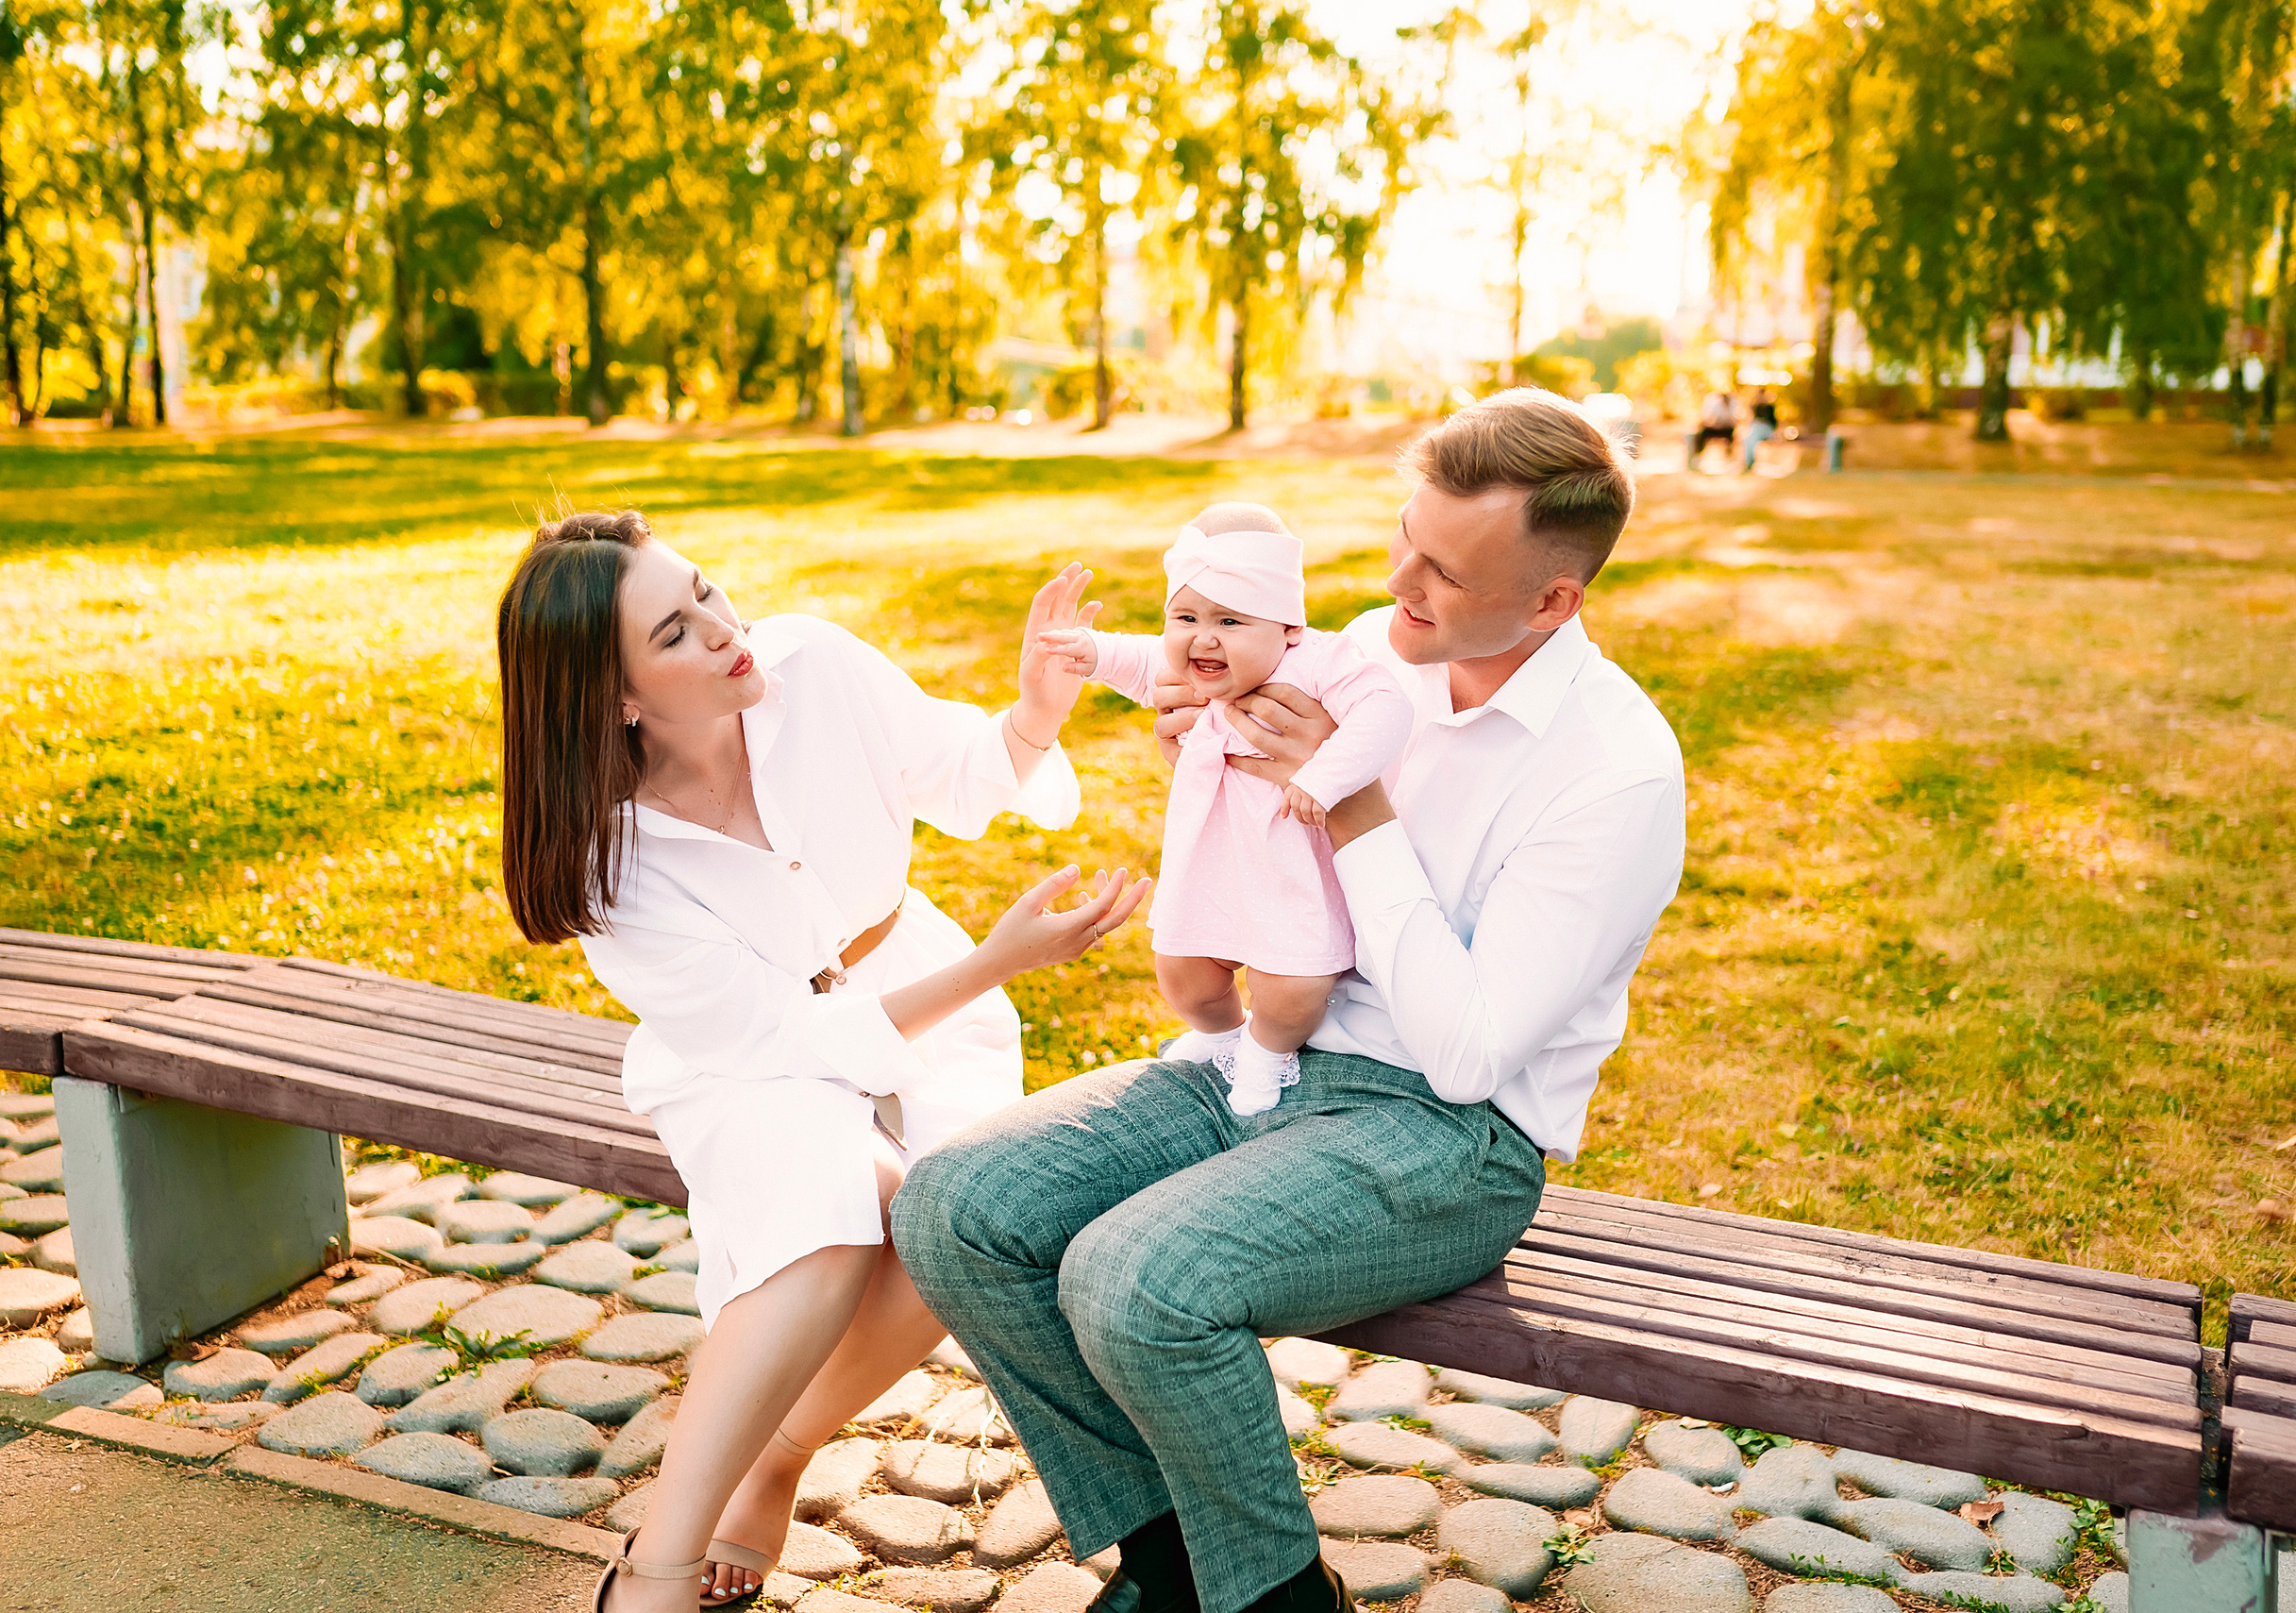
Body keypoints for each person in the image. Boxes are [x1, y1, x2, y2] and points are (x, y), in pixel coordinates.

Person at [892, 388, 1685, 1613]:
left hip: (1449, 1134)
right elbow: (1240, 788)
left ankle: (1272, 1602)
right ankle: (1167, 1568)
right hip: (1271, 1055)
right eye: (1404, 544)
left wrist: (1350, 808)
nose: (1403, 591)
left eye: (1446, 574)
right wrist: (1204, 761)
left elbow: (1469, 1053)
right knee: (959, 1204)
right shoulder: (1371, 656)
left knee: (1133, 1279)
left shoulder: (1613, 771)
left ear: (1551, 601)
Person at [494, 510, 1149, 1613]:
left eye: (705, 590)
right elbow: (774, 1044)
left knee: (959, 1214)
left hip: (927, 1009)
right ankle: (655, 1567)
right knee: (844, 1198)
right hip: (748, 1066)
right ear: (619, 698)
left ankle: (776, 1452)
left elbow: (965, 772)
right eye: (674, 632)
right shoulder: (606, 858)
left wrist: (1037, 706)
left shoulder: (817, 663)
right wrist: (996, 962)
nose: (722, 627)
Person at [1037, 500, 1413, 1115]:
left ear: (1287, 625)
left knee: (1291, 985)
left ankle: (1267, 1052)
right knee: (1182, 973)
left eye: (1231, 620)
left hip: (1290, 864)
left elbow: (1386, 709)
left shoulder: (1317, 661)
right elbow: (1140, 658)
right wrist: (1092, 650)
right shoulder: (1196, 666)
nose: (1203, 637)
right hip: (1210, 863)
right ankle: (1221, 1038)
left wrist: (1326, 775)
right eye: (1185, 615)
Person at [1687, 387, 1736, 470]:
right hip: (1712, 428)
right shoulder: (1713, 401)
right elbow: (1707, 418)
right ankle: (1697, 458)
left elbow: (1734, 420)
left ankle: (1729, 459)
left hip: (1726, 429)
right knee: (1701, 435)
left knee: (1732, 435)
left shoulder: (1733, 402)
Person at [1740, 387, 1780, 472]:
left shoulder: (1770, 407)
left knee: (1753, 435)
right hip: (1756, 429)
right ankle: (1749, 460)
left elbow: (1774, 423)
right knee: (1748, 440)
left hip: (1766, 430)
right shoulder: (1756, 406)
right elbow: (1750, 412)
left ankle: (1749, 461)